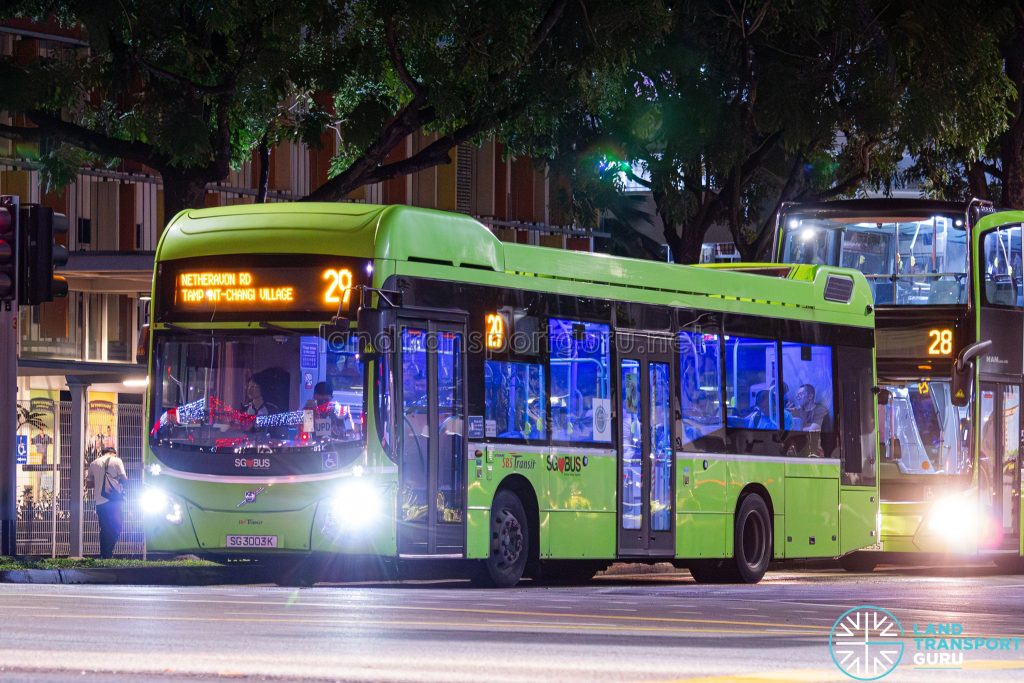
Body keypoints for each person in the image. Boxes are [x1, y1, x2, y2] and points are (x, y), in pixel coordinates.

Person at [85, 446, 127, 559]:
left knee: (104, 528)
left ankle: (104, 554)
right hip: (113, 500)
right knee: (117, 526)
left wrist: (100, 483)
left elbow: (88, 485)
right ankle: (108, 553)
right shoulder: (117, 461)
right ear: (113, 453)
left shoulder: (94, 463)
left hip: (99, 501)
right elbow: (124, 478)